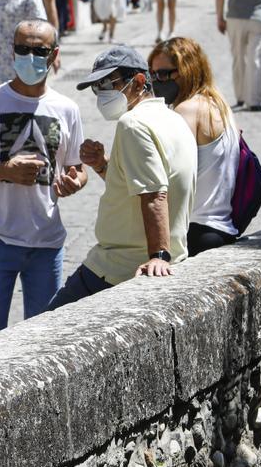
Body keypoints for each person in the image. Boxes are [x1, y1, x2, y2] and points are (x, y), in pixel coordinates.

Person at [0, 20, 85, 338]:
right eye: (23, 49)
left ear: (54, 55)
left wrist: (75, 182)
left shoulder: (67, 109)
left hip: (47, 243)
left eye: (39, 50)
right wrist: (4, 171)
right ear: (13, 52)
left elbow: (77, 169)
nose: (30, 56)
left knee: (42, 340)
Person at [53, 46, 196, 301]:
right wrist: (101, 164)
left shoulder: (132, 124)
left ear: (140, 81)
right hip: (161, 257)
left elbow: (155, 194)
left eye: (109, 83)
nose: (102, 94)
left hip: (117, 266)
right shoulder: (172, 118)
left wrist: (158, 256)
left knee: (47, 330)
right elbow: (137, 186)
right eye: (97, 88)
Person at [147, 38, 239, 255]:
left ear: (186, 70)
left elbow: (171, 175)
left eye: (162, 74)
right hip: (222, 228)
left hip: (194, 231)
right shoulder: (220, 104)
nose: (156, 81)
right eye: (152, 74)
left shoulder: (186, 111)